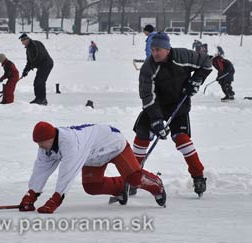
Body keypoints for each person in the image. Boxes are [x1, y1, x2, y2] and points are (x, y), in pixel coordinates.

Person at [18, 122, 166, 214]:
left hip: (114, 145)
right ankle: (121, 188)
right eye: (38, 144)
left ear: (52, 138)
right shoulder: (46, 147)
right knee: (92, 187)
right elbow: (40, 169)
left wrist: (54, 200)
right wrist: (31, 194)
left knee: (134, 178)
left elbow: (67, 172)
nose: (40, 147)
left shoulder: (71, 143)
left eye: (42, 142)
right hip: (93, 155)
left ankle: (156, 184)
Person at [130, 32, 212, 197]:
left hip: (178, 105)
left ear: (167, 49)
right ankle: (131, 177)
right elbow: (147, 96)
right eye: (152, 49)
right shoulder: (148, 67)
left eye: (158, 49)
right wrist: (157, 120)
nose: (155, 53)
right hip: (155, 106)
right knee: (142, 135)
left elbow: (207, 63)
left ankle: (198, 177)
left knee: (182, 139)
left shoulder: (183, 55)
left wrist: (196, 80)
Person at [19, 33, 53, 106]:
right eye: (21, 42)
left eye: (23, 41)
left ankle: (42, 99)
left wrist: (31, 66)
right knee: (37, 82)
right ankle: (38, 98)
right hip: (41, 66)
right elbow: (29, 61)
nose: (22, 43)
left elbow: (39, 56)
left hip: (46, 64)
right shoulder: (28, 49)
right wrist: (25, 71)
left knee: (40, 81)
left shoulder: (36, 44)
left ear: (27, 40)